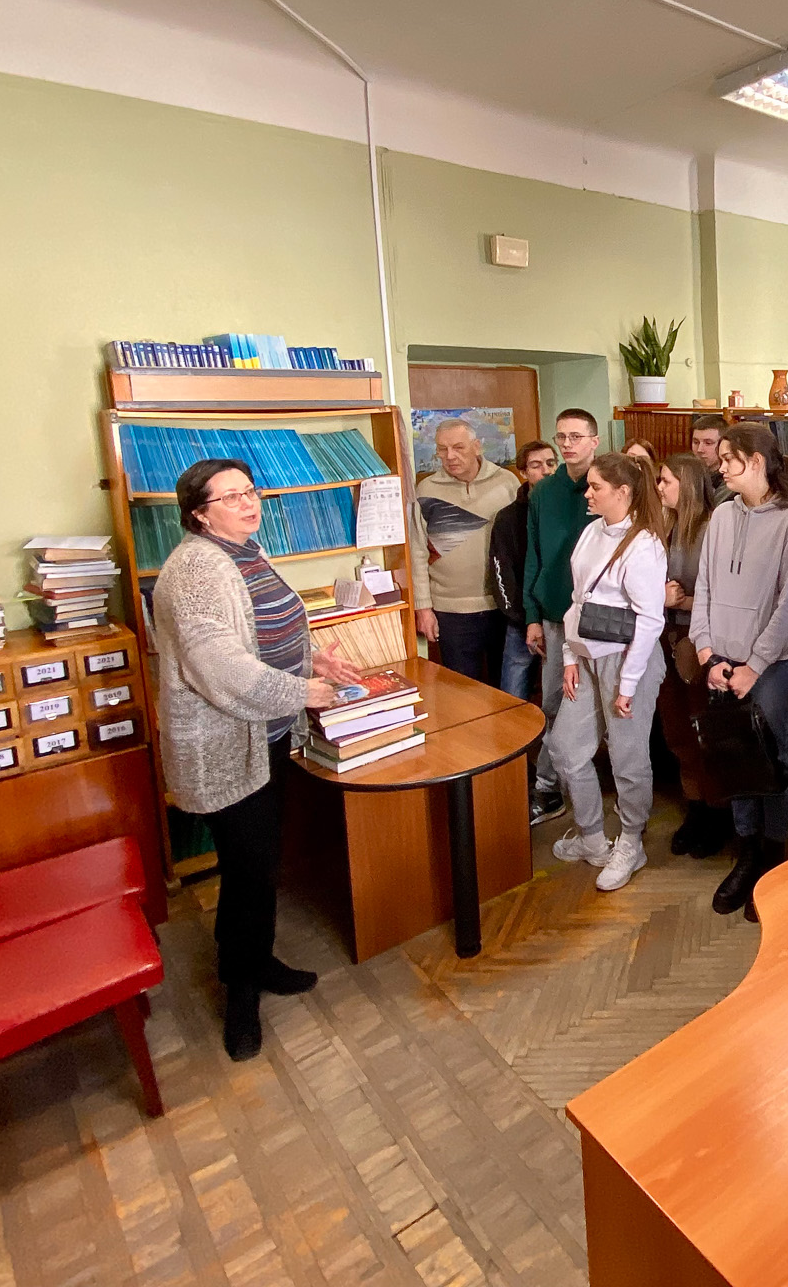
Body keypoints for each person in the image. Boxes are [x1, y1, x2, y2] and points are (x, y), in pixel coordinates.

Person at [151, 458, 361, 1061]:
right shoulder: (195, 570)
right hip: (225, 745)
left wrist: (315, 660)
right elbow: (220, 667)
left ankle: (254, 960)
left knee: (259, 864)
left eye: (251, 492)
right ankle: (240, 997)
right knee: (248, 870)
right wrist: (302, 692)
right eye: (232, 497)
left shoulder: (247, 550)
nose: (249, 503)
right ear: (199, 514)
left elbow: (268, 629)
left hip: (264, 735)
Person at [690, 423, 788, 917]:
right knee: (734, 759)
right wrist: (706, 651)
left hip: (771, 669)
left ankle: (772, 861)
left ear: (756, 461)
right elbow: (704, 586)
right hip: (720, 663)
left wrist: (755, 665)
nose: (720, 467)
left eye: (729, 459)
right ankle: (746, 856)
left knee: (773, 761)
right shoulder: (721, 514)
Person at [547, 454, 669, 893]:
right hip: (586, 657)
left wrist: (628, 684)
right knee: (565, 748)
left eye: (596, 486)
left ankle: (632, 842)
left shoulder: (644, 544)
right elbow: (577, 602)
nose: (588, 493)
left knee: (627, 757)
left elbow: (650, 621)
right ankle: (593, 838)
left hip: (628, 661)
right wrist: (569, 655)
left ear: (623, 492)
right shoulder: (591, 531)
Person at [524, 408, 602, 823]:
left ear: (594, 441)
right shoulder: (543, 493)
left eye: (576, 436)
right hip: (556, 617)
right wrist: (531, 616)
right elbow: (533, 557)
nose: (567, 444)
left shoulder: (607, 487)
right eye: (561, 437)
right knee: (553, 703)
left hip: (601, 622)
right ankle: (548, 788)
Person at [658, 453, 732, 858]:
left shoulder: (711, 528)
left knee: (705, 733)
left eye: (666, 481)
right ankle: (696, 808)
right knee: (678, 734)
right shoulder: (663, 526)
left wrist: (679, 602)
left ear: (686, 484)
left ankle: (718, 813)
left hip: (698, 641)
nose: (659, 488)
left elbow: (723, 595)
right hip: (664, 638)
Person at [412, 419, 522, 683]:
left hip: (503, 607)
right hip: (450, 611)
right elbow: (416, 552)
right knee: (462, 690)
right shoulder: (427, 490)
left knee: (506, 691)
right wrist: (423, 608)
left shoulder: (506, 483)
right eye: (442, 449)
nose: (450, 456)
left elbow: (521, 543)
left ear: (476, 447)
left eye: (458, 447)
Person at [488, 439, 556, 701]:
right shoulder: (508, 517)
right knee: (513, 693)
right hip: (521, 617)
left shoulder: (567, 509)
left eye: (551, 463)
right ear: (523, 472)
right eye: (536, 466)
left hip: (559, 618)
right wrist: (524, 618)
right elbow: (501, 572)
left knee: (559, 692)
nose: (546, 471)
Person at [691, 413, 733, 504]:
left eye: (708, 443)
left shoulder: (730, 483)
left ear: (723, 445)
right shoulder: (687, 474)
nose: (700, 450)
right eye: (696, 442)